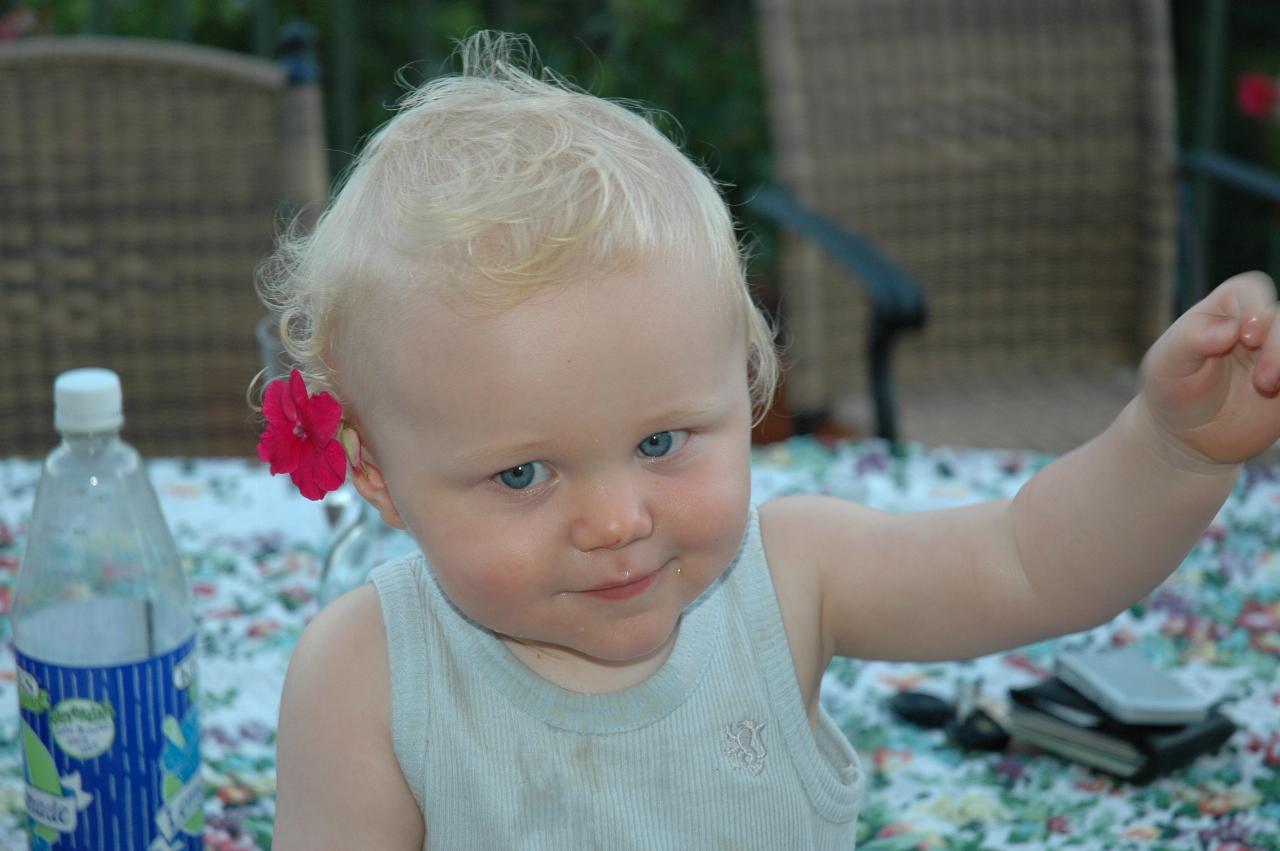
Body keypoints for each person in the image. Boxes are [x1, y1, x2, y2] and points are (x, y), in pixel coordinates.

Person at [264, 31, 1280, 850]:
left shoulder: (790, 579)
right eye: (522, 472)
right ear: (375, 472)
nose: (618, 519)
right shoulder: (366, 676)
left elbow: (1030, 561)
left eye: (662, 441)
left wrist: (1172, 449)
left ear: (744, 385)